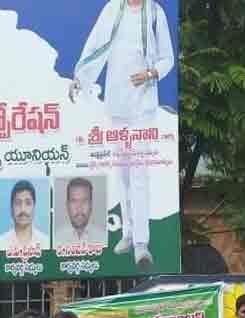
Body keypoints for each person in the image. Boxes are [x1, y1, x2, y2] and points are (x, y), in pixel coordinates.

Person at [71, 0, 175, 265]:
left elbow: (167, 59)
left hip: (143, 107)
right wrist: (80, 79)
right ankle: (128, 234)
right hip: (117, 105)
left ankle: (142, 243)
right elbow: (95, 46)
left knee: (139, 174)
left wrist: (151, 73)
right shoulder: (112, 9)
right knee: (123, 175)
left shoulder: (154, 12)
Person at [54, 178, 104, 246]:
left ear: (91, 205)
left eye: (84, 201)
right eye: (74, 201)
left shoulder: (103, 238)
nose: (79, 208)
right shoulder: (55, 239)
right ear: (67, 205)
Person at [1, 181, 49, 249]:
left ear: (34, 207)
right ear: (11, 208)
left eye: (28, 203)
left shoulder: (46, 243)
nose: (23, 209)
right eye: (18, 203)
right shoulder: (2, 243)